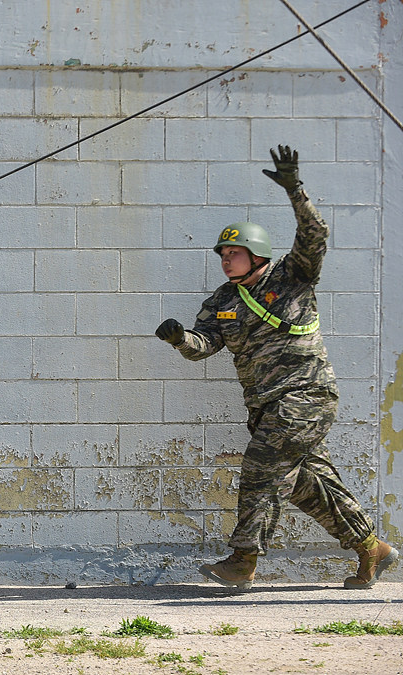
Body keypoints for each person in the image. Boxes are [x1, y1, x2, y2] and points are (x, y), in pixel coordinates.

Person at [155, 145, 399, 590]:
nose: (225, 259)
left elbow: (315, 234)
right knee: (309, 485)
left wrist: (296, 191)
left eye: (233, 252)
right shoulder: (223, 301)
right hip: (266, 409)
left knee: (261, 468)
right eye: (222, 254)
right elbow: (202, 345)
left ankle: (243, 560)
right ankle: (371, 548)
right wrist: (179, 339)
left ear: (255, 253)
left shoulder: (292, 276)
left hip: (306, 395)